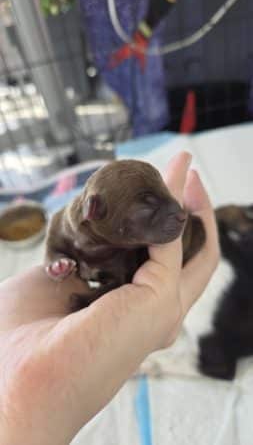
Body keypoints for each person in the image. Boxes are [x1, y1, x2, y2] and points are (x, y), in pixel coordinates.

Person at [0, 152, 219, 445]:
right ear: (95, 212)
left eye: (163, 196)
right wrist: (56, 260)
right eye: (148, 204)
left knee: (196, 234)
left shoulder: (127, 247)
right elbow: (55, 245)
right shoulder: (62, 224)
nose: (177, 211)